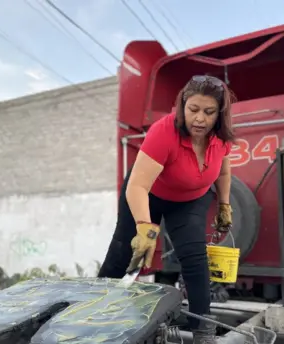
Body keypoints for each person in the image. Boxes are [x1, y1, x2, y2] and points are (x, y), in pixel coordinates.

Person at [98, 75, 235, 344]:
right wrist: (144, 228)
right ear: (182, 106)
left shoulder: (220, 137)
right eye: (193, 110)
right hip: (147, 194)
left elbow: (224, 171)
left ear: (219, 114)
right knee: (124, 253)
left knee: (194, 258)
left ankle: (203, 331)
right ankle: (95, 313)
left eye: (208, 112)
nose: (200, 119)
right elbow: (137, 185)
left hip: (191, 200)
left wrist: (224, 205)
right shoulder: (164, 132)